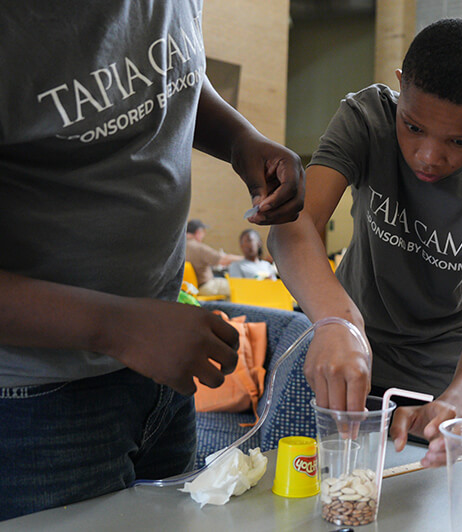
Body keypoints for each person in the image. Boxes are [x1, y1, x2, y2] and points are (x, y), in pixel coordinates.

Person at [0, 2, 304, 521]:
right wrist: (118, 326)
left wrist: (238, 139)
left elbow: (161, 73)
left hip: (162, 374)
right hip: (36, 405)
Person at [268, 18, 462, 467]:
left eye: (460, 141)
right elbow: (292, 229)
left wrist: (456, 402)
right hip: (350, 360)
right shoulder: (367, 116)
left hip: (454, 378)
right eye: (413, 127)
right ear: (400, 86)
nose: (429, 156)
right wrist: (337, 322)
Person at [185, 219, 244, 295]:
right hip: (204, 287)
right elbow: (223, 260)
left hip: (188, 289)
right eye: (203, 232)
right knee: (236, 286)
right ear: (198, 232)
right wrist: (245, 258)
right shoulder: (199, 248)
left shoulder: (179, 246)